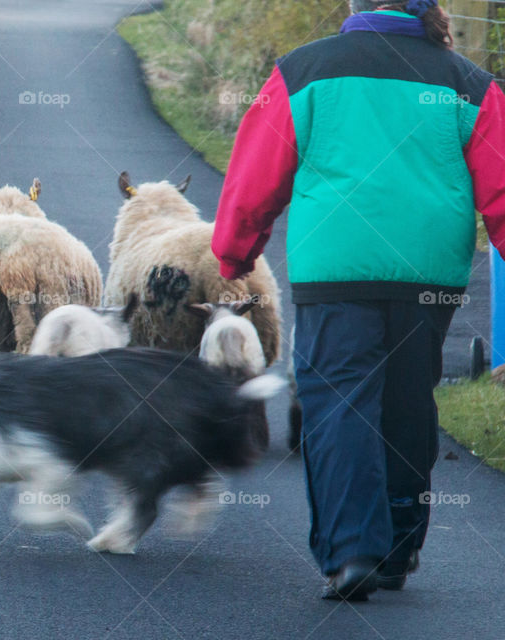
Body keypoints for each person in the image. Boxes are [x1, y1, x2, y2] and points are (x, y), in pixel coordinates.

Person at [212, 0, 505, 600]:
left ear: (356, 6)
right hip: (430, 272)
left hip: (335, 268)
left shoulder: (303, 71)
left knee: (339, 401)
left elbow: (254, 178)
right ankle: (399, 548)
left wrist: (234, 254)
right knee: (407, 399)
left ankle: (354, 551)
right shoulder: (470, 84)